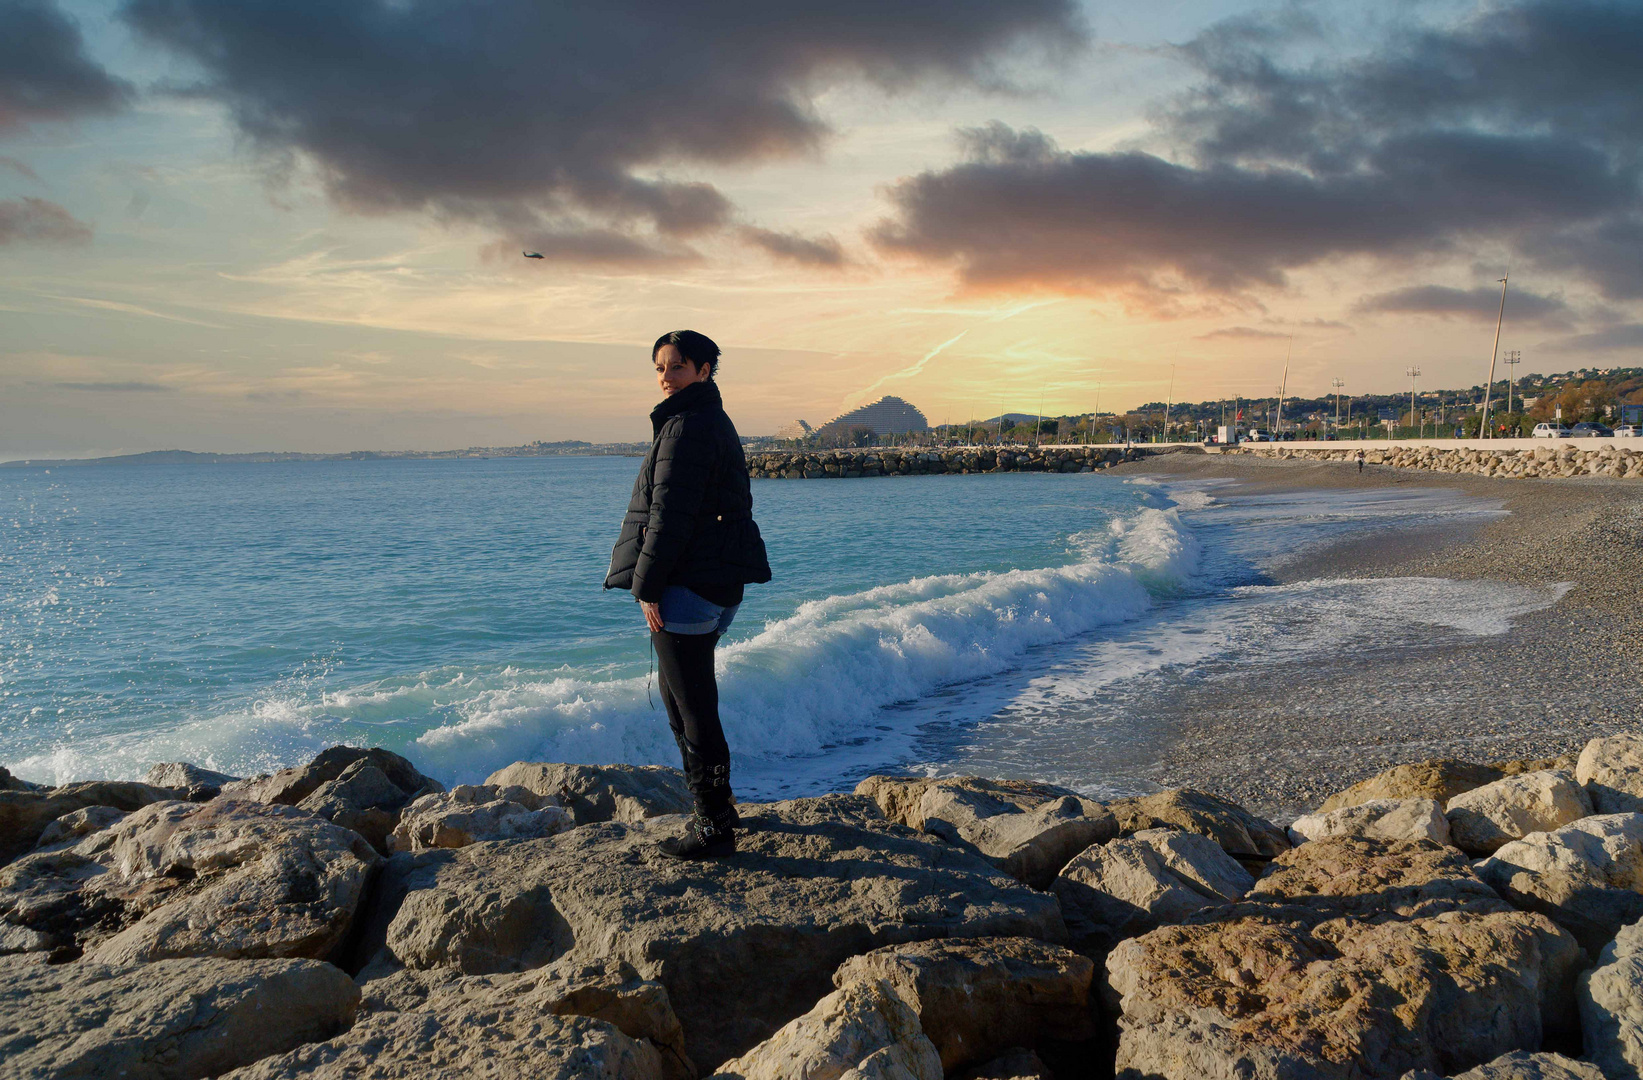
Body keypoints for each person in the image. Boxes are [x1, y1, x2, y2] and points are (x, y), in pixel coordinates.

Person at [604, 330, 771, 859]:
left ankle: (713, 826)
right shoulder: (714, 420)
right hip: (718, 582)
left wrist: (646, 587)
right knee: (693, 701)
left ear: (703, 370)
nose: (665, 377)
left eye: (677, 367)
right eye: (659, 368)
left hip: (689, 587)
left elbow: (669, 517)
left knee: (690, 709)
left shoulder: (685, 427)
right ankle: (720, 808)